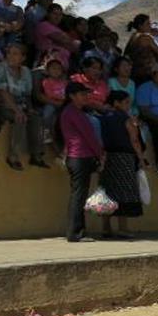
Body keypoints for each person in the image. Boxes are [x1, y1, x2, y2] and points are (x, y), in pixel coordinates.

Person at [60, 82, 105, 241]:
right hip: (80, 157)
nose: (86, 96)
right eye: (82, 94)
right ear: (72, 96)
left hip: (77, 157)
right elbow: (89, 136)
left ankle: (78, 231)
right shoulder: (73, 112)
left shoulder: (73, 111)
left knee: (79, 195)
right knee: (79, 196)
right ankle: (75, 233)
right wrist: (100, 155)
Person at [98, 90, 146, 238]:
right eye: (125, 103)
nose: (127, 106)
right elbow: (135, 140)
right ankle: (122, 228)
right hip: (124, 157)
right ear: (116, 103)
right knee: (124, 192)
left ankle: (106, 228)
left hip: (107, 157)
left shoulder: (103, 118)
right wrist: (141, 158)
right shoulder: (126, 119)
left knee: (108, 191)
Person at [0, 43, 46, 169]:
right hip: (4, 104)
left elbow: (27, 94)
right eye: (9, 53)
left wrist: (30, 109)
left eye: (16, 54)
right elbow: (2, 91)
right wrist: (17, 110)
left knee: (36, 118)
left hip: (21, 104)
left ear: (23, 58)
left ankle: (36, 155)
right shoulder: (0, 67)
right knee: (20, 119)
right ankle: (13, 156)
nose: (11, 56)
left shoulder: (26, 71)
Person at [123, 14, 158, 86]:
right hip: (146, 73)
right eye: (147, 24)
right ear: (140, 26)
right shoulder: (146, 38)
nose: (150, 26)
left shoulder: (133, 37)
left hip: (134, 72)